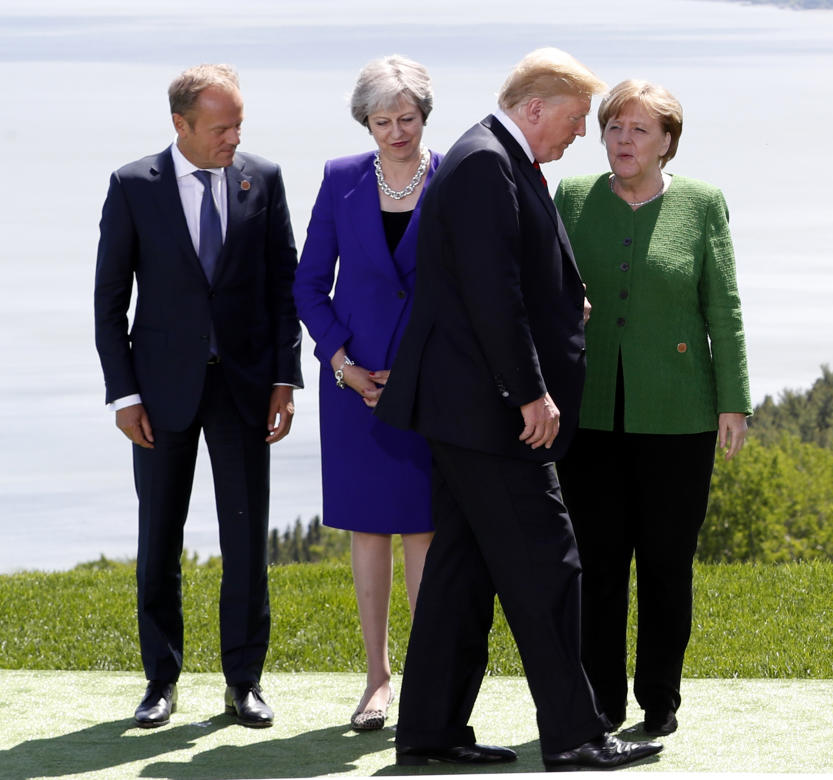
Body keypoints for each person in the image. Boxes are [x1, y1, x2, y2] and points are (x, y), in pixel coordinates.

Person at [375, 49, 663, 771]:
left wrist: (568, 304)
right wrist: (530, 393)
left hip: (471, 411)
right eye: (570, 123)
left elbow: (513, 277)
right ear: (535, 109)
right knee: (550, 565)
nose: (576, 137)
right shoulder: (483, 162)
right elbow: (489, 296)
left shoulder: (495, 157)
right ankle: (573, 736)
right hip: (493, 415)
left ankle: (429, 734)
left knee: (459, 577)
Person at [94, 64, 302, 729]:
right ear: (180, 124)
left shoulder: (261, 179)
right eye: (221, 126)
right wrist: (123, 395)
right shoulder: (132, 186)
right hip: (158, 395)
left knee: (246, 544)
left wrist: (284, 380)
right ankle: (160, 681)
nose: (234, 137)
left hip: (244, 389)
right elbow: (108, 305)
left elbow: (282, 289)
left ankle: (244, 683)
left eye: (240, 123)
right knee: (159, 539)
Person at [554, 79, 752, 737]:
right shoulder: (573, 197)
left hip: (680, 415)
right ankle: (601, 703)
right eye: (614, 128)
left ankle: (659, 700)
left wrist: (734, 402)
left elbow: (722, 307)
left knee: (667, 562)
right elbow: (543, 284)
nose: (624, 141)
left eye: (640, 130)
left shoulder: (702, 204)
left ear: (668, 142)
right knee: (599, 564)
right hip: (590, 415)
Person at [293, 55, 439, 732]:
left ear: (424, 116)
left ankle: (431, 679)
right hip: (354, 388)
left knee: (425, 532)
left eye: (406, 119)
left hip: (432, 388)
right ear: (366, 122)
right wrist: (342, 363)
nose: (396, 132)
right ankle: (377, 681)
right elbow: (308, 285)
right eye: (382, 121)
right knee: (370, 530)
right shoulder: (340, 179)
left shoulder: (455, 177)